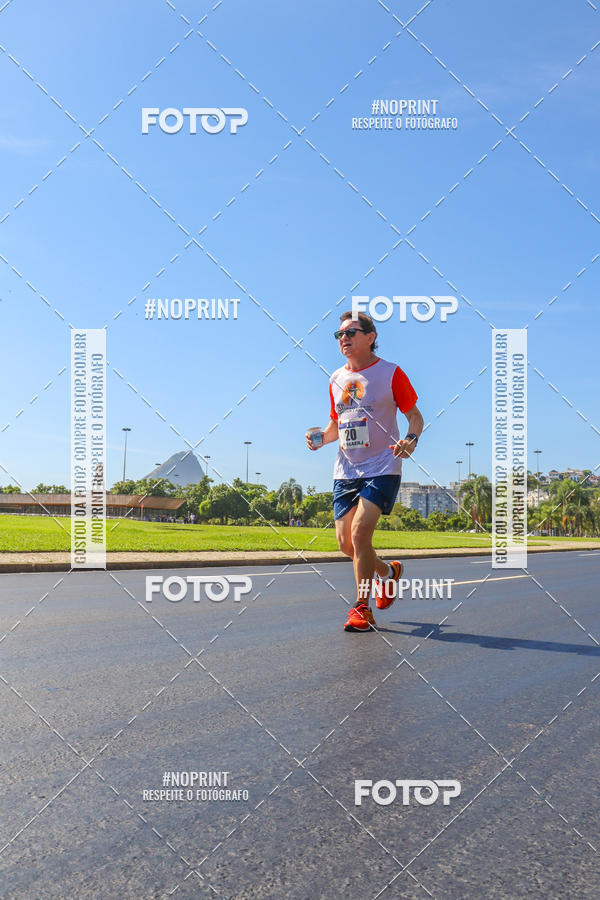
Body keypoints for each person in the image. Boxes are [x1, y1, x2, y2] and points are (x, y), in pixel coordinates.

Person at [306, 311, 423, 632]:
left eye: (351, 333)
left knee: (360, 535)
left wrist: (410, 439)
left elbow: (415, 416)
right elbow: (335, 427)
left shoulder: (390, 373)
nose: (343, 339)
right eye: (339, 335)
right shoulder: (335, 379)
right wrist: (319, 438)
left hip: (383, 466)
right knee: (346, 544)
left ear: (370, 337)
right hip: (346, 470)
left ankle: (361, 609)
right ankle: (387, 573)